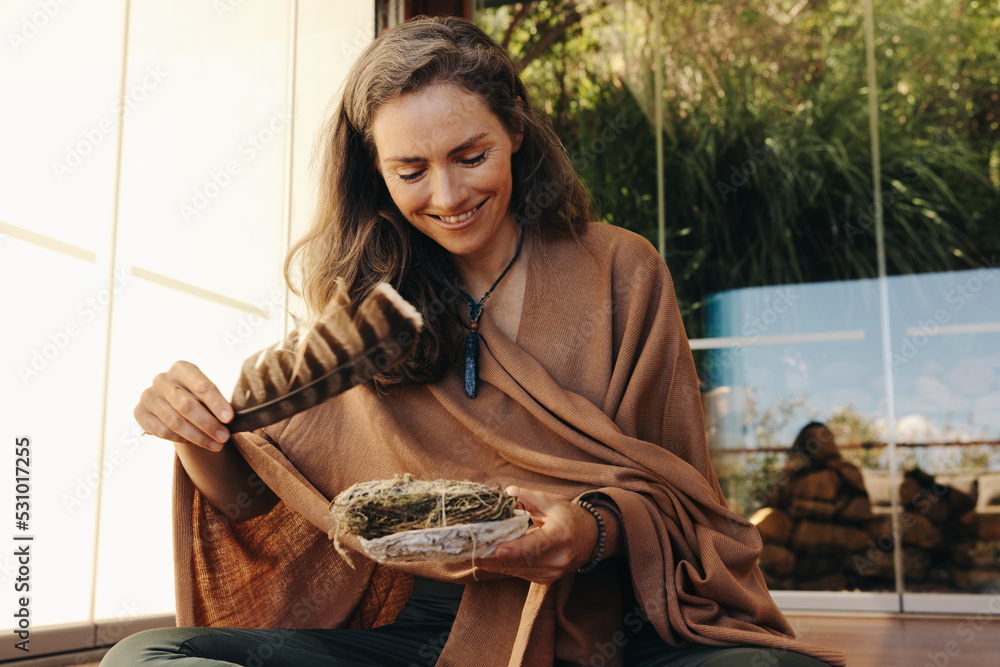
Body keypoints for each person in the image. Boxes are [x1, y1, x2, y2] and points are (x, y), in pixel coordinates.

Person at [103, 16, 843, 667]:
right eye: (411, 170)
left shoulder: (622, 270)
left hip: (614, 625)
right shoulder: (365, 317)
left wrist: (585, 532)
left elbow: (688, 503)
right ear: (376, 172)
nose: (449, 196)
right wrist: (191, 428)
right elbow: (259, 496)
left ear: (515, 129)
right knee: (151, 654)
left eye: (471, 154)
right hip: (425, 634)